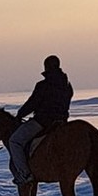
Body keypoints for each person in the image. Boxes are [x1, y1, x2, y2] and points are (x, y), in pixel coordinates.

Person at [8, 54, 72, 186]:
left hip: (42, 122)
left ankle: (25, 174)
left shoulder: (43, 85)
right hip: (62, 122)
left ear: (46, 67)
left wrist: (20, 115)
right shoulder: (67, 85)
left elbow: (32, 103)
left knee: (14, 141)